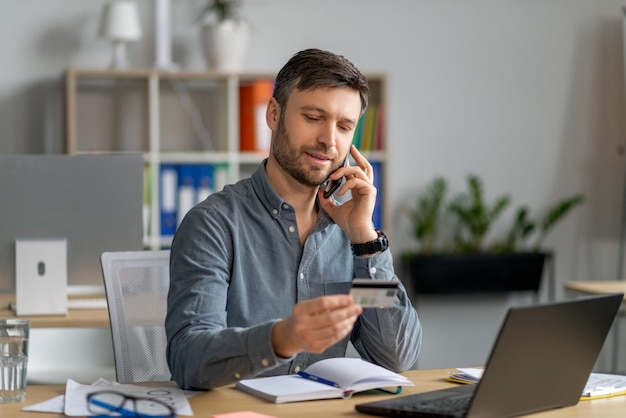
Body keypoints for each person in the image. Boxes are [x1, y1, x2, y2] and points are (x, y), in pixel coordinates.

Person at [165, 48, 422, 390]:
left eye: (344, 127)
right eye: (313, 117)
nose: (329, 140)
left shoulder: (352, 238)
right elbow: (189, 360)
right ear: (273, 113)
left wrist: (365, 239)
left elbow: (396, 356)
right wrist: (280, 339)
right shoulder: (213, 224)